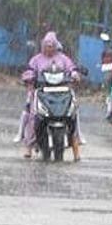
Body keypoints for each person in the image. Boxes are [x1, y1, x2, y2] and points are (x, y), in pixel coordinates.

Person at [19, 31, 84, 160]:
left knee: (73, 114)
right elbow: (29, 71)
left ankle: (76, 147)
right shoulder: (36, 59)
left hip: (62, 93)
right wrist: (29, 77)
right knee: (33, 114)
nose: (48, 49)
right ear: (42, 46)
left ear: (55, 46)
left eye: (51, 46)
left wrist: (75, 74)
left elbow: (71, 69)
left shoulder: (63, 59)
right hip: (42, 93)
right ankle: (28, 145)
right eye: (46, 46)